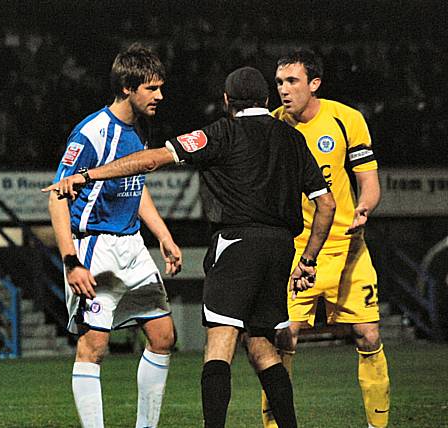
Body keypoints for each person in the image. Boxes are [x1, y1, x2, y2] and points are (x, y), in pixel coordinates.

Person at [44, 66, 336, 428]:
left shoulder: (222, 133)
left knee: (219, 345)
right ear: (266, 99)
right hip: (281, 249)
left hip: (237, 244)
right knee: (262, 347)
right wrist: (308, 259)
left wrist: (89, 175)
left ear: (227, 101)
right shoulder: (293, 139)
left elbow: (152, 160)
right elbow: (327, 204)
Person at [47, 43, 182, 428]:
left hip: (132, 246)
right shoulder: (92, 133)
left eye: (160, 87)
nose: (160, 96)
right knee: (94, 346)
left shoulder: (139, 128)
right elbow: (57, 197)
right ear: (127, 87)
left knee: (162, 335)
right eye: (151, 89)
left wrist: (163, 234)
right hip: (95, 246)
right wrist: (71, 260)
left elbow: (135, 186)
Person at [260, 49, 390, 428]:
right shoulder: (272, 125)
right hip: (297, 252)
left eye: (292, 81)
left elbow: (368, 180)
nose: (283, 90)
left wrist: (364, 209)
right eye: (280, 82)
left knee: (368, 336)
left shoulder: (346, 119)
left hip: (348, 249)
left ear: (314, 84)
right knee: (284, 339)